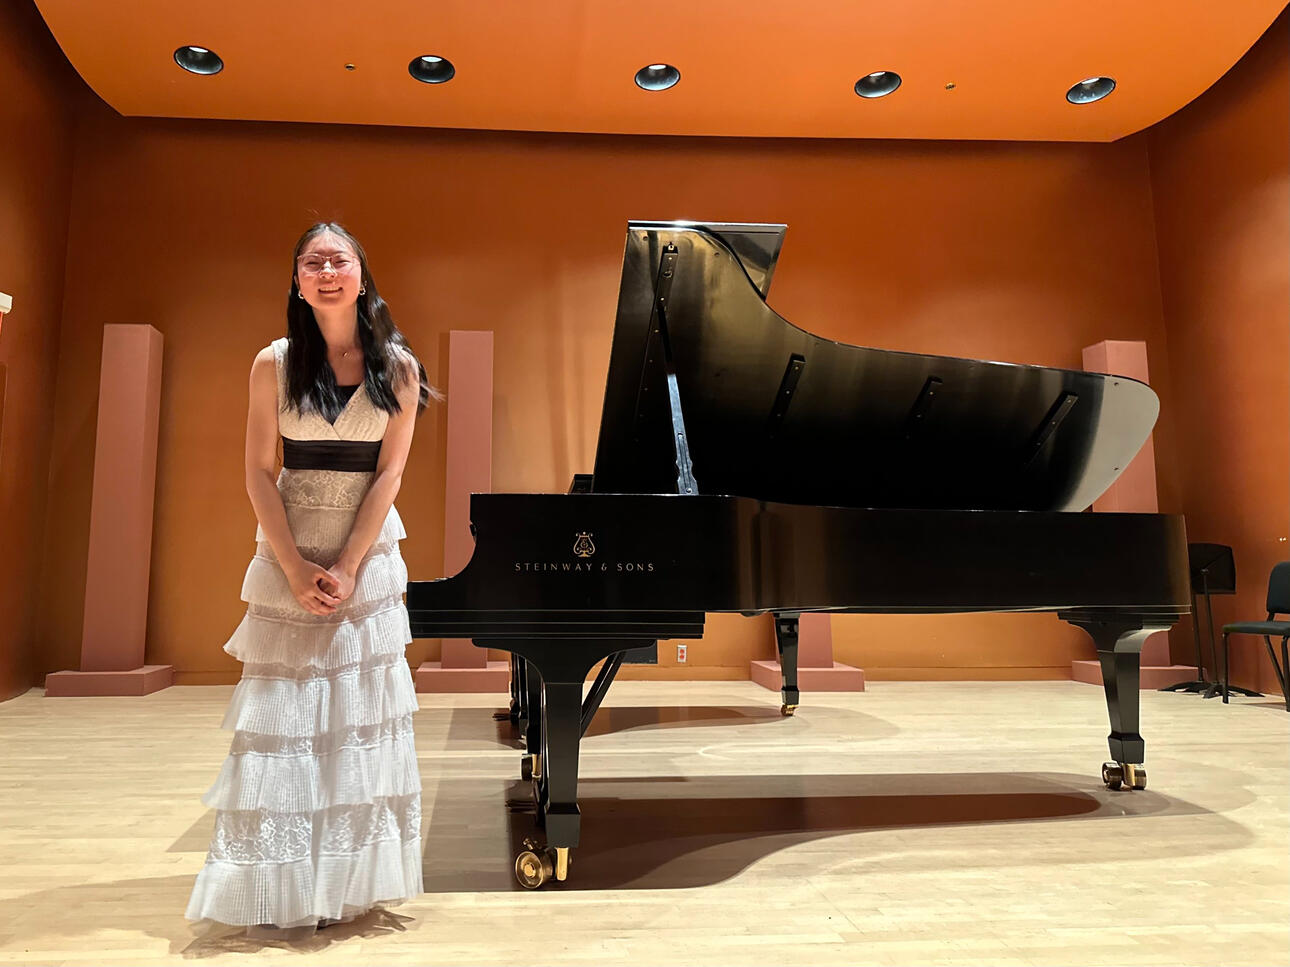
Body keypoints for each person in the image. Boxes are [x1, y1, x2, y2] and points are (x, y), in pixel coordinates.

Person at [186, 222, 437, 937]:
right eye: (313, 263)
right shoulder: (273, 362)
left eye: (339, 260)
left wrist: (350, 565)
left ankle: (345, 884)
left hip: (366, 556)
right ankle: (281, 882)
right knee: (286, 718)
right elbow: (257, 471)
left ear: (361, 275)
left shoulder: (398, 367)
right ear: (297, 281)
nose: (327, 272)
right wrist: (294, 566)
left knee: (356, 716)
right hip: (288, 545)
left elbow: (390, 474)